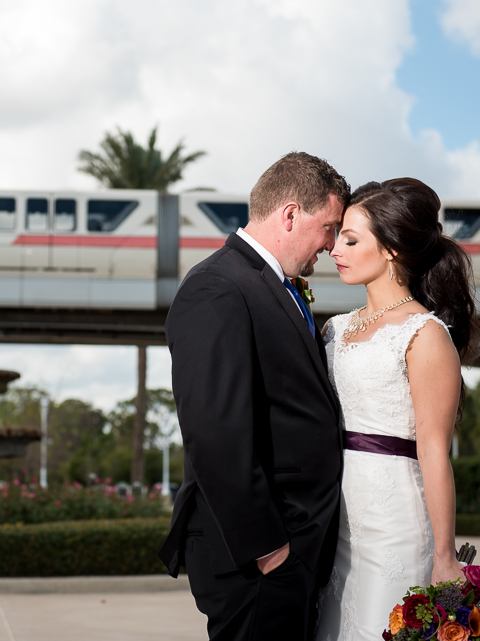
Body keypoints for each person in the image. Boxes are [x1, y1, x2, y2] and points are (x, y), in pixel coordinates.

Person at [159, 152, 350, 641]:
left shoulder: (274, 285)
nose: (331, 245)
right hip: (258, 552)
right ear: (290, 214)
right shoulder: (218, 287)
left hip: (295, 544)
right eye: (328, 227)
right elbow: (214, 429)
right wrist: (266, 547)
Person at [315, 178, 480, 641]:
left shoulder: (424, 334)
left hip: (394, 520)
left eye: (350, 239)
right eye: (336, 238)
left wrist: (445, 555)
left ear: (390, 249)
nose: (335, 249)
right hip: (335, 516)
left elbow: (433, 450)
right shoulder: (334, 328)